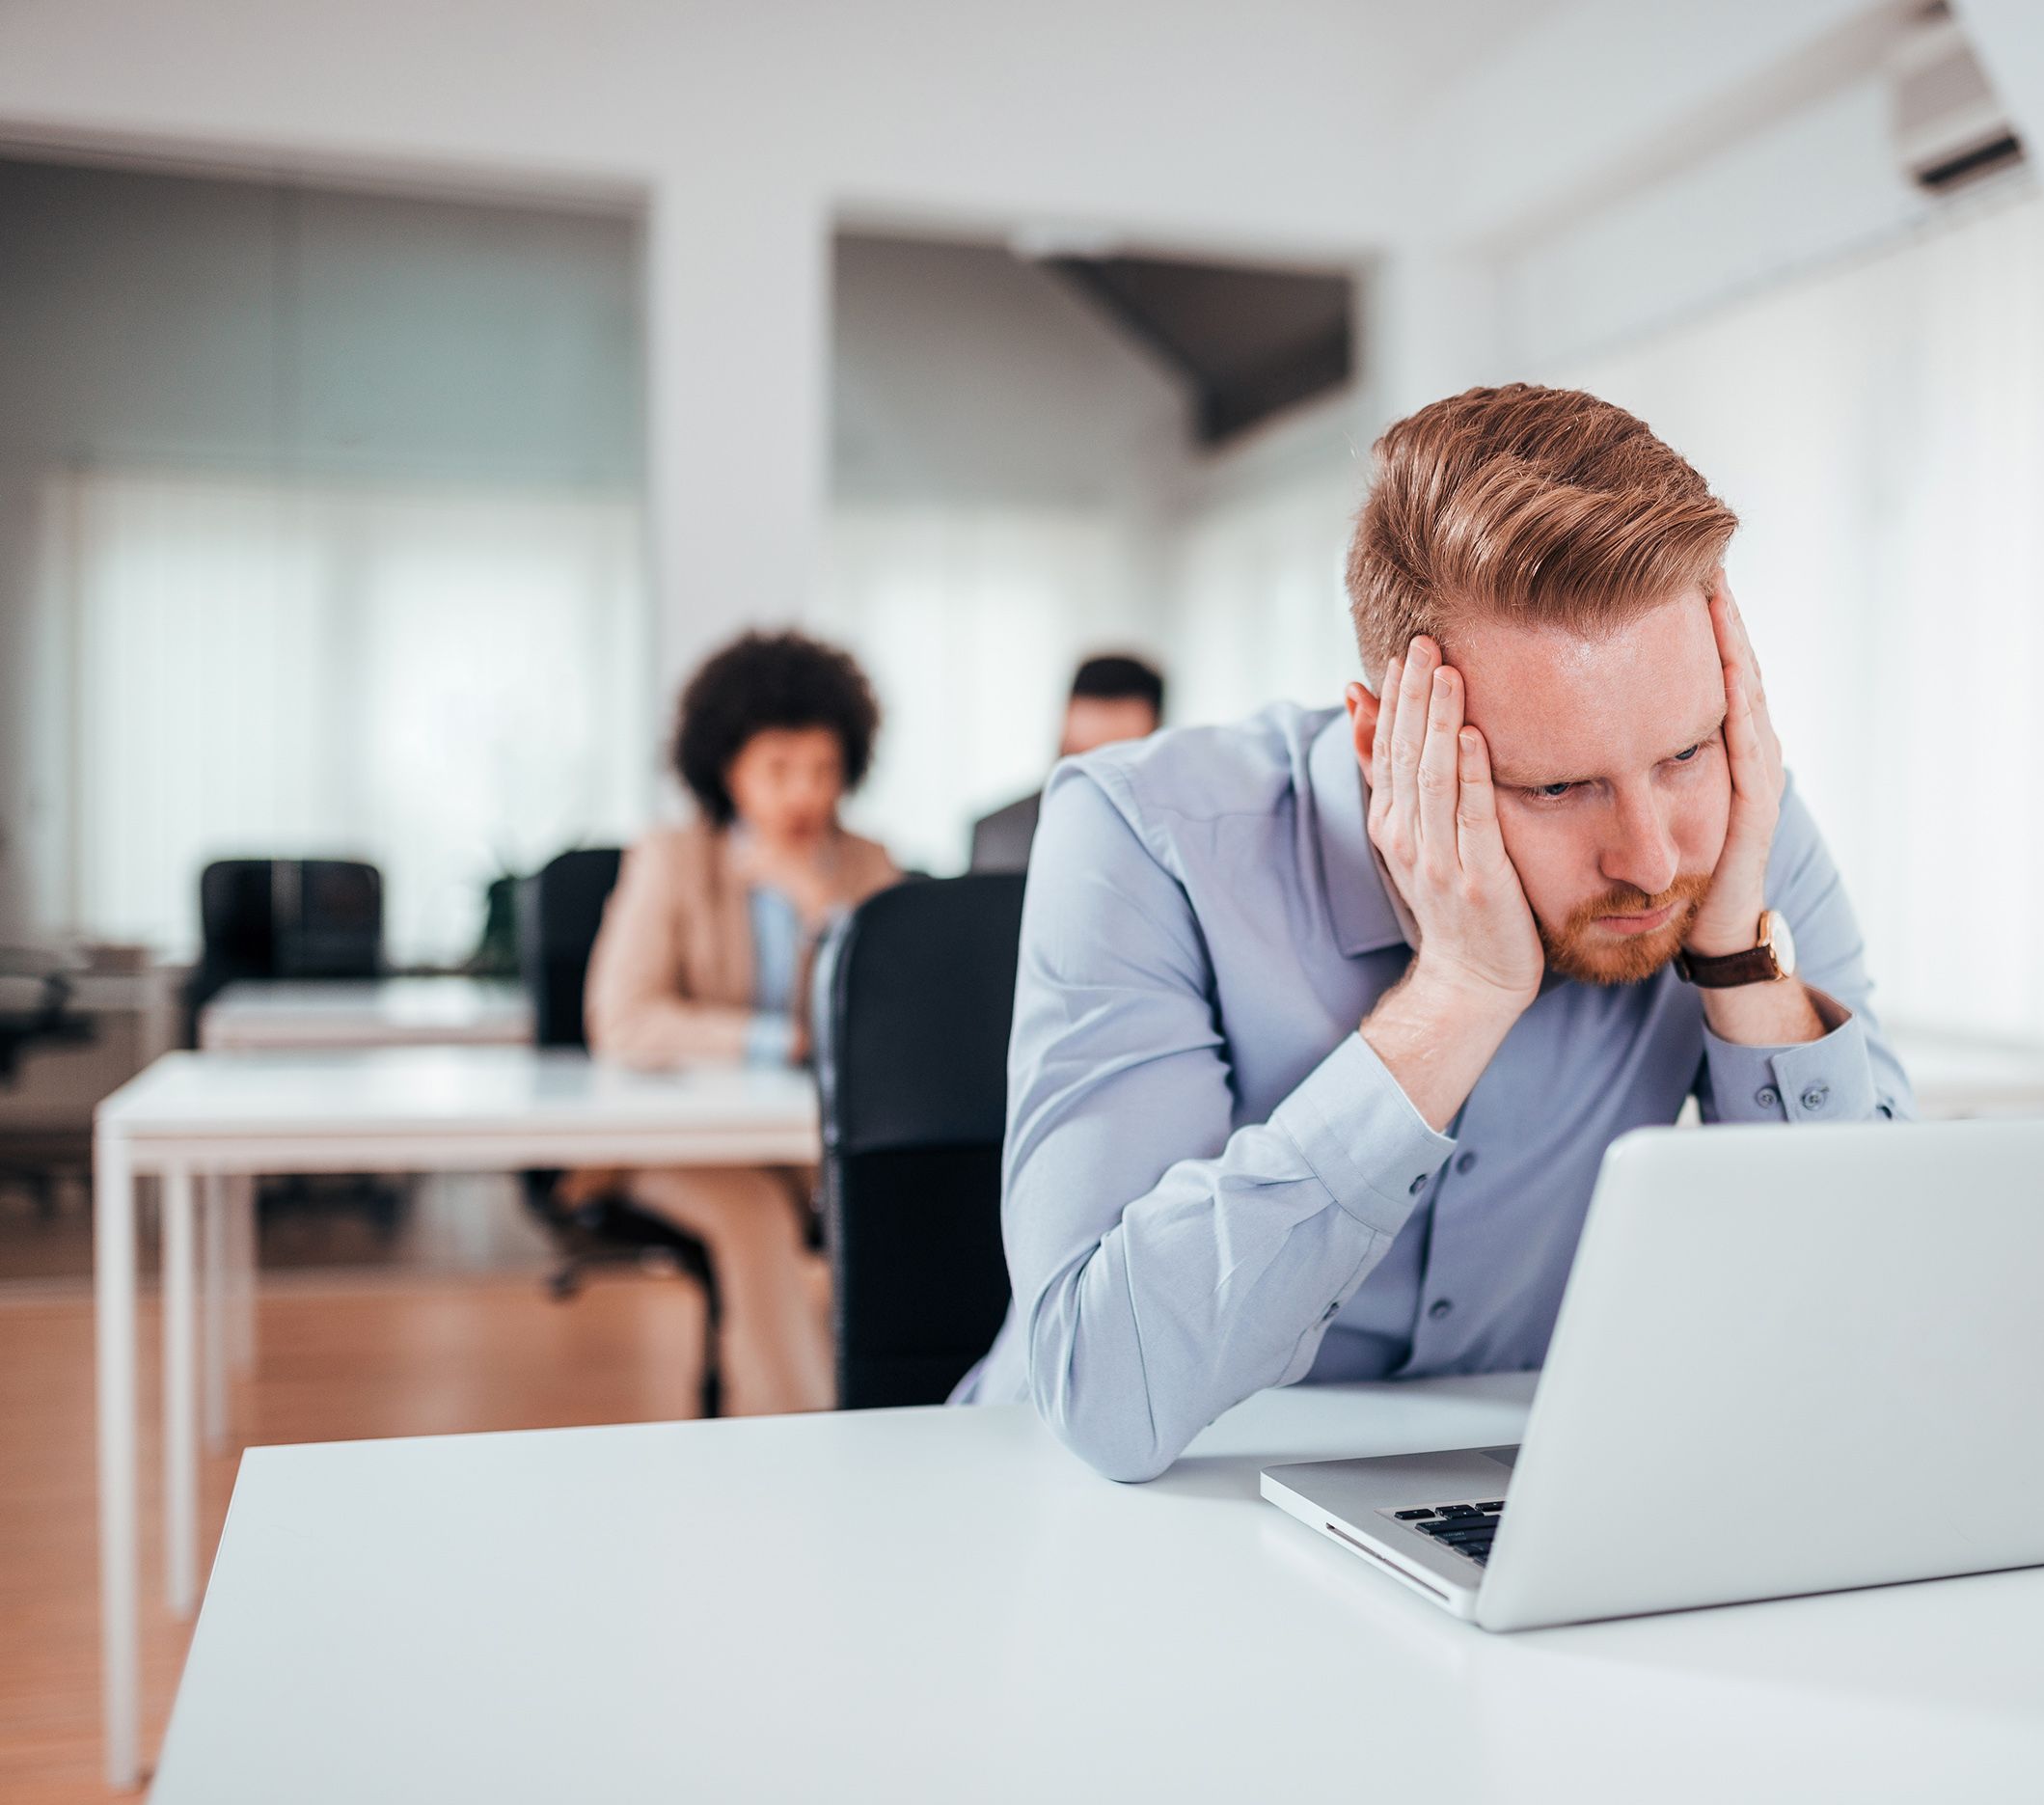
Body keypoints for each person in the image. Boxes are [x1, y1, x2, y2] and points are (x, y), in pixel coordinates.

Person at [959, 385, 1913, 1480]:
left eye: (1686, 750)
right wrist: (1456, 993)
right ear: (1384, 744)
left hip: (1506, 1511)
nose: (1650, 858)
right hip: (1105, 1512)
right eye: (1556, 786)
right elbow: (1104, 1395)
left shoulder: (1730, 829)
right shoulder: (1142, 835)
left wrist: (1739, 957)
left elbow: (1870, 1319)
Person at [584, 628, 903, 1415]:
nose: (805, 794)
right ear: (728, 769)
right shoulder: (672, 858)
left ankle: (916, 1415)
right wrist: (776, 1043)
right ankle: (813, 1439)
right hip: (680, 1142)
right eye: (780, 770)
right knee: (751, 1218)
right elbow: (622, 1019)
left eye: (825, 771)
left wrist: (819, 904)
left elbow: (900, 1016)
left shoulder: (867, 867)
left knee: (895, 1203)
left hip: (802, 1137)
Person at [968, 653, 1166, 872]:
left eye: (1113, 765)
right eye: (1079, 755)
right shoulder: (1000, 835)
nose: (1091, 780)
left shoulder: (1177, 840)